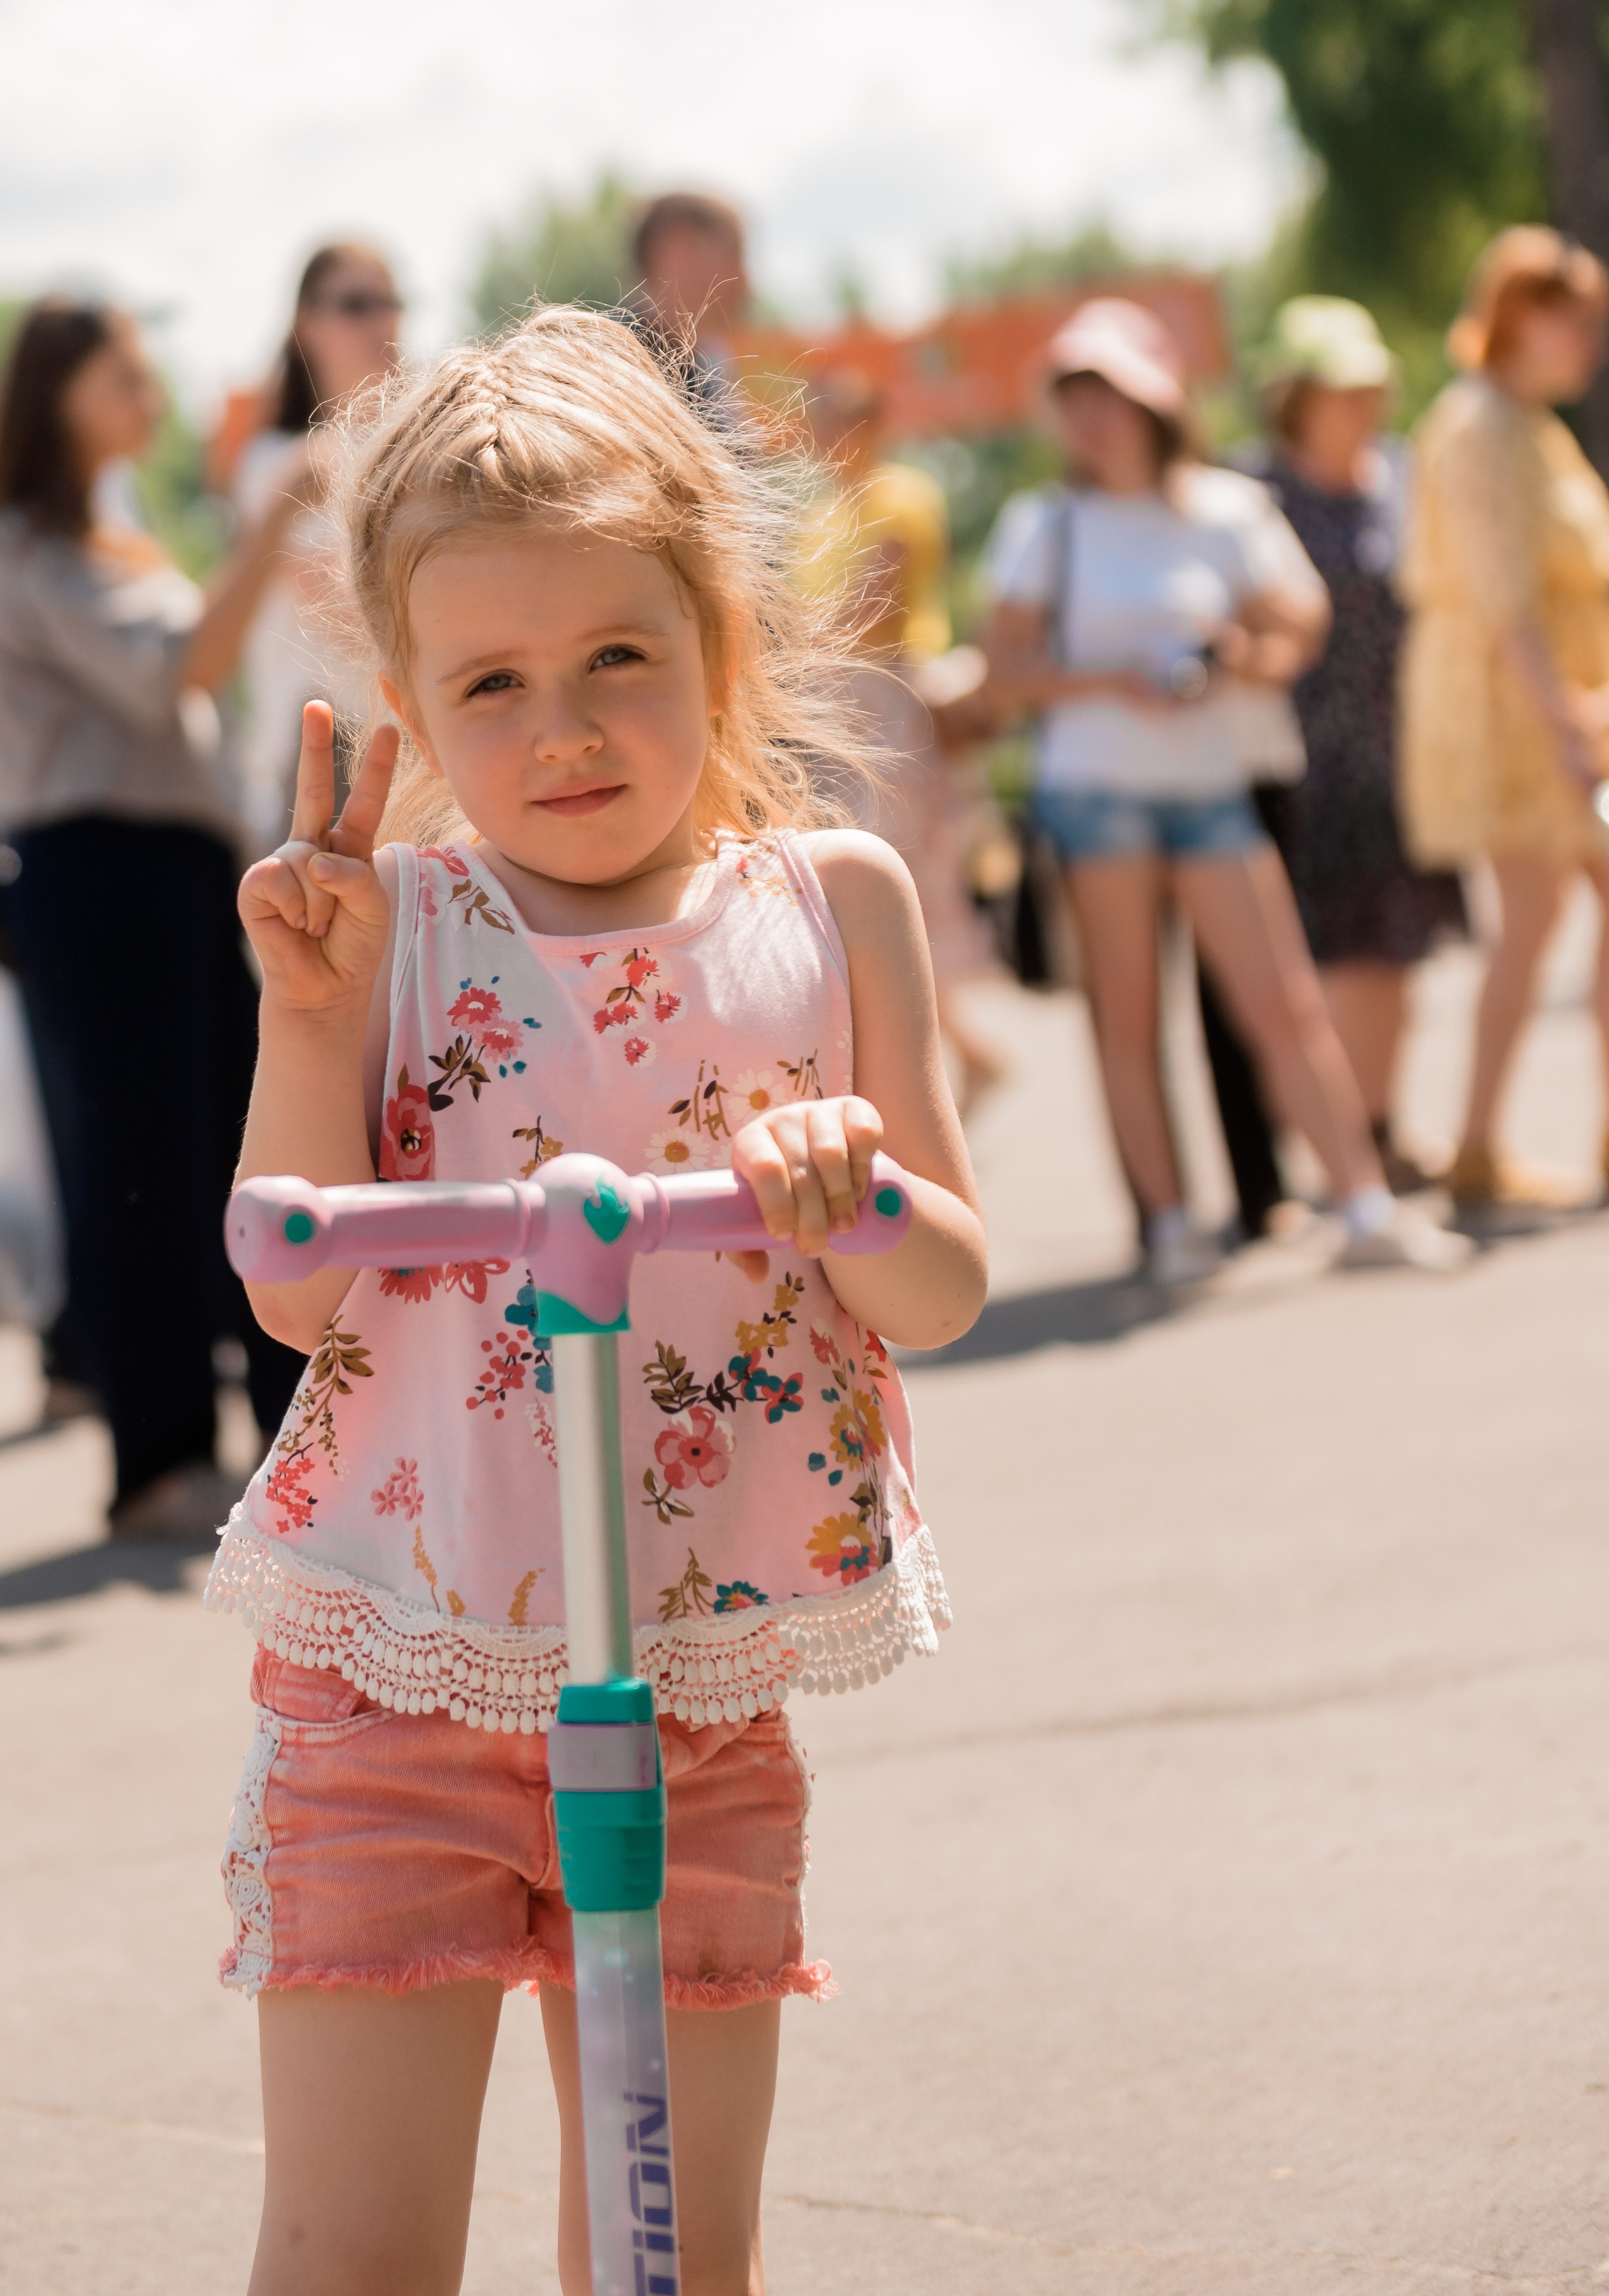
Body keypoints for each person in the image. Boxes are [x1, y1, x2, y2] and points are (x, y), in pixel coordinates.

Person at [207, 305, 986, 2294]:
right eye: (494, 681)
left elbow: (944, 1283)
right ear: (407, 708)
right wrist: (312, 1011)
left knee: (665, 2257)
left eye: (618, 658)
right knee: (351, 2249)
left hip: (702, 1679)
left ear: (721, 635)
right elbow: (289, 1275)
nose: (563, 728)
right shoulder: (399, 927)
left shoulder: (833, 904)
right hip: (408, 1669)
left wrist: (850, 1196)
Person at [980, 298, 1469, 1282]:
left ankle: (1364, 1205)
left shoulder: (1223, 509)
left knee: (1283, 1001)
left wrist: (1235, 657)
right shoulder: (1046, 525)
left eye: (1108, 392)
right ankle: (1168, 1225)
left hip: (1210, 782)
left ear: (1154, 399)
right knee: (1128, 1014)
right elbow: (1005, 670)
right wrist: (1113, 679)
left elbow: (1301, 625)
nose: (1091, 416)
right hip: (1095, 789)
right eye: (1074, 396)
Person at [0, 298, 313, 1537]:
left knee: (240, 1142)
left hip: (171, 872)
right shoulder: (30, 545)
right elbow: (175, 668)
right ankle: (159, 1459)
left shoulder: (107, 535)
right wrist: (275, 514)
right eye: (122, 372)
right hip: (93, 870)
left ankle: (290, 1431)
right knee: (134, 1164)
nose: (149, 389)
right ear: (60, 389)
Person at [1214, 298, 1465, 1203]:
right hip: (1301, 759)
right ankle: (1340, 1147)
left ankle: (1382, 1123)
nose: (1363, 401)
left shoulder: (1399, 477)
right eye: (1340, 386)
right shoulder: (1253, 492)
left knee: (1399, 947)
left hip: (1404, 746)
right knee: (1325, 963)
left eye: (1370, 384)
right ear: (1297, 395)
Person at [1400, 227, 1609, 1209]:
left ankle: (1592, 1125)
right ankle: (1482, 1146)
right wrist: (1570, 728)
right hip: (1515, 709)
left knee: (1586, 908)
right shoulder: (1481, 424)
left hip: (1566, 699)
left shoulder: (1531, 422)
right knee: (1536, 915)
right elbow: (1504, 600)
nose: (1592, 343)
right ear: (1522, 317)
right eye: (1575, 322)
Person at [800, 368, 1006, 1107]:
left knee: (895, 881)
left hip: (885, 703)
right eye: (821, 415)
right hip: (838, 710)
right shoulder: (822, 513)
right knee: (867, 887)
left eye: (842, 413)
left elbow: (873, 611)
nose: (830, 431)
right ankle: (959, 1057)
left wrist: (787, 656)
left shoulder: (898, 494)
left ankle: (917, 1073)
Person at [233, 241, 403, 853]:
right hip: (326, 742)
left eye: (390, 302)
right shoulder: (275, 463)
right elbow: (338, 607)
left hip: (411, 740)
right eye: (356, 303)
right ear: (307, 325)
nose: (381, 321)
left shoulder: (413, 453)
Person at [627, 189, 749, 425]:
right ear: (678, 250)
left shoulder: (707, 372)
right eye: (733, 254)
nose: (744, 279)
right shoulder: (604, 367)